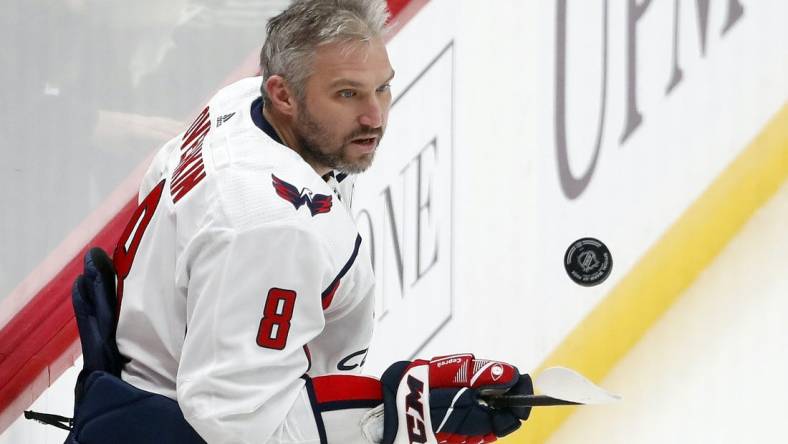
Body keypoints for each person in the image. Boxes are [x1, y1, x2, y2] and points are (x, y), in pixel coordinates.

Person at [84, 1, 534, 442]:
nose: (374, 117)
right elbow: (235, 419)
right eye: (347, 93)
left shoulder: (242, 105)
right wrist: (398, 416)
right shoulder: (270, 226)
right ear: (282, 94)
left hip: (144, 391)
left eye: (382, 88)